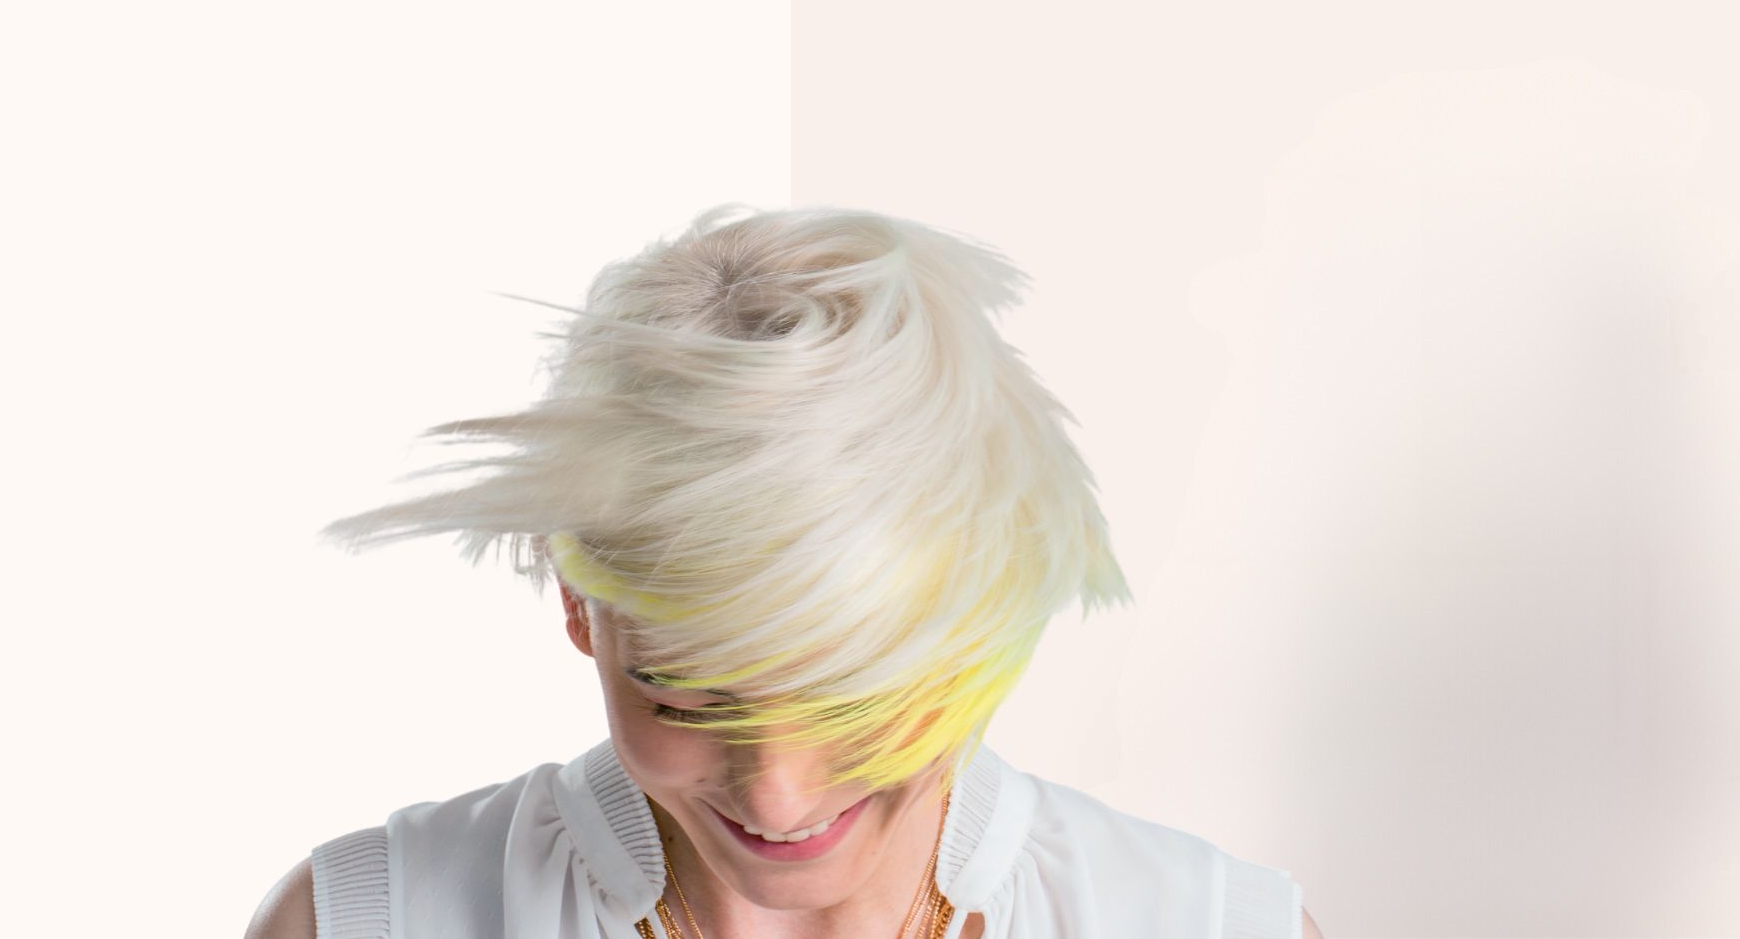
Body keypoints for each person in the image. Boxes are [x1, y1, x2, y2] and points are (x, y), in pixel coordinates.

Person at [245, 204, 1323, 938]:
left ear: (984, 627)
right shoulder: (368, 922)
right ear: (579, 606)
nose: (777, 792)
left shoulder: (1209, 926)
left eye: (854, 700)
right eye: (684, 698)